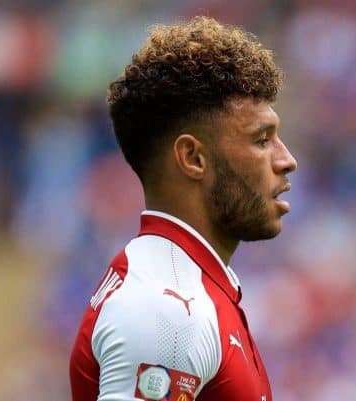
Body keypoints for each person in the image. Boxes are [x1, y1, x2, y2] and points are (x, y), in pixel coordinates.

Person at [69, 16, 297, 401]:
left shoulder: (191, 289)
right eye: (262, 141)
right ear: (193, 158)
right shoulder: (168, 309)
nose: (286, 159)